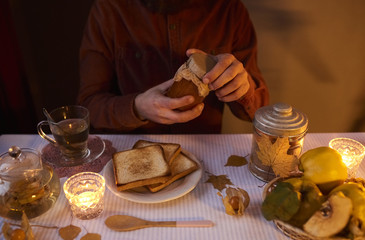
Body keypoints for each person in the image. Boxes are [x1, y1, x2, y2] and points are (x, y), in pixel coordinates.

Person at [77, 0, 269, 134]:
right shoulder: (109, 9)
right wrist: (137, 108)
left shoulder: (230, 11)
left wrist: (243, 89)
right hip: (133, 146)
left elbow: (259, 111)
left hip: (204, 154)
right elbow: (88, 106)